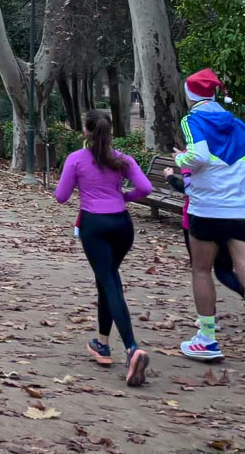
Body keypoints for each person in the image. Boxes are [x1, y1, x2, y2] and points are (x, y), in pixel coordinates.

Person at [173, 68, 245, 385]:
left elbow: (198, 156)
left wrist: (180, 160)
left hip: (207, 209)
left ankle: (207, 338)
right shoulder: (239, 125)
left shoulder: (192, 120)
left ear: (191, 95)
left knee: (201, 270)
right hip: (242, 211)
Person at [54, 110, 153, 387]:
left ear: (85, 131)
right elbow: (146, 188)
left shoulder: (76, 159)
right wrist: (125, 196)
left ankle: (132, 348)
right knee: (105, 280)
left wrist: (82, 186)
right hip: (122, 225)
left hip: (94, 225)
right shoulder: (122, 159)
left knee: (109, 282)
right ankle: (102, 344)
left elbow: (61, 196)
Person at [164, 164, 245, 299]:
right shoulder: (223, 160)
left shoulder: (191, 160)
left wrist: (170, 177)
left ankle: (207, 312)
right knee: (223, 271)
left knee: (201, 271)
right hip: (226, 217)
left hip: (196, 221)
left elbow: (188, 189)